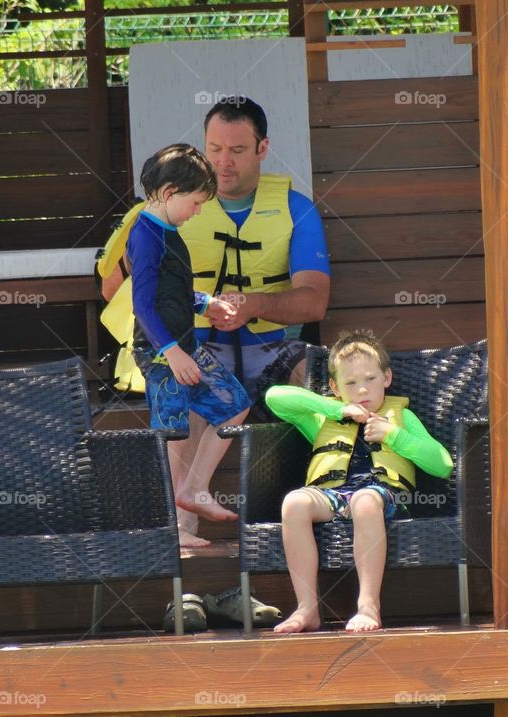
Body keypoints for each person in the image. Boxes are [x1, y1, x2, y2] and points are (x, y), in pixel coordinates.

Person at [170, 96, 331, 542]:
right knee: (184, 379)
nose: (223, 162)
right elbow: (133, 287)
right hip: (201, 348)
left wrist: (254, 305)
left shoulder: (296, 209)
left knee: (321, 377)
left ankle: (330, 508)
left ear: (262, 149)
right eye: (214, 149)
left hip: (272, 349)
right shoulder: (176, 209)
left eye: (237, 151)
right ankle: (182, 535)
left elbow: (315, 302)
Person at [264, 330, 453, 633]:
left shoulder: (401, 418)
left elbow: (442, 465)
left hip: (382, 497)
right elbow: (275, 398)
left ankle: (368, 605)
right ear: (334, 387)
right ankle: (307, 608)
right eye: (350, 383)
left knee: (364, 501)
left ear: (387, 378)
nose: (362, 390)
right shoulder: (325, 419)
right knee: (294, 503)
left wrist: (394, 435)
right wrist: (336, 409)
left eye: (370, 379)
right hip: (332, 496)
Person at [126, 143, 251, 548]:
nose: (198, 211)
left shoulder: (170, 232)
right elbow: (143, 304)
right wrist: (171, 352)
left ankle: (195, 488)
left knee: (235, 405)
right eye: (195, 202)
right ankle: (170, 529)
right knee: (173, 434)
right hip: (162, 353)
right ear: (168, 193)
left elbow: (174, 294)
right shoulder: (145, 237)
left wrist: (206, 302)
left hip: (184, 345)